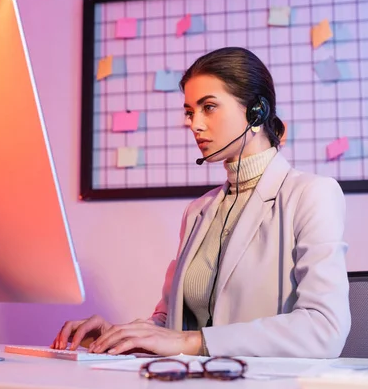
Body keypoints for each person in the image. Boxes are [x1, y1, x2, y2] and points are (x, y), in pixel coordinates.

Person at [52, 47, 351, 358]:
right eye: (190, 111)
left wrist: (193, 343)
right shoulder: (198, 211)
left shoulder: (311, 194)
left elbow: (324, 328)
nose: (194, 124)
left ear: (256, 112)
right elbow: (172, 323)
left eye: (209, 107)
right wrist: (118, 335)